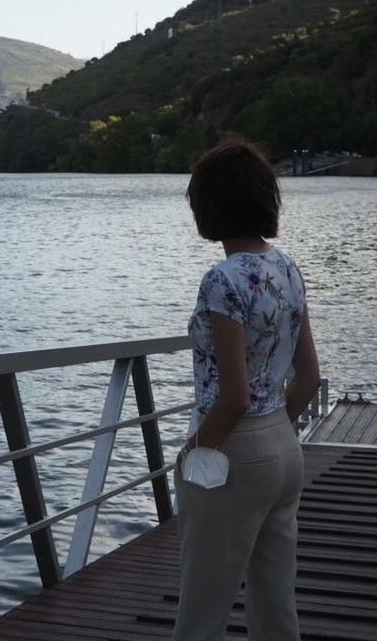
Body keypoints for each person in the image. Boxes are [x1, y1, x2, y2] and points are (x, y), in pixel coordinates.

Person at [174, 138, 321, 641]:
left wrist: (195, 451)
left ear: (209, 206)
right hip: (283, 445)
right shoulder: (287, 268)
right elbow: (310, 376)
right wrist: (276, 429)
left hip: (233, 449)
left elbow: (233, 396)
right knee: (275, 603)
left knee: (202, 608)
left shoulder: (223, 280)